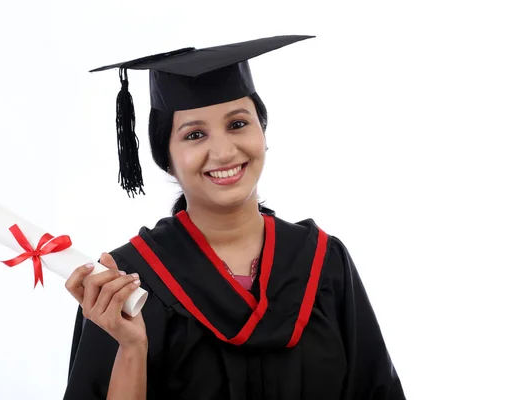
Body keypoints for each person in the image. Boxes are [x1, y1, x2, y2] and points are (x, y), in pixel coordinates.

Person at [62, 35, 406, 399]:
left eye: (238, 124)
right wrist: (132, 349)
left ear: (263, 132)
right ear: (167, 157)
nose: (224, 151)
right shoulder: (126, 282)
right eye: (195, 134)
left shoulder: (323, 261)